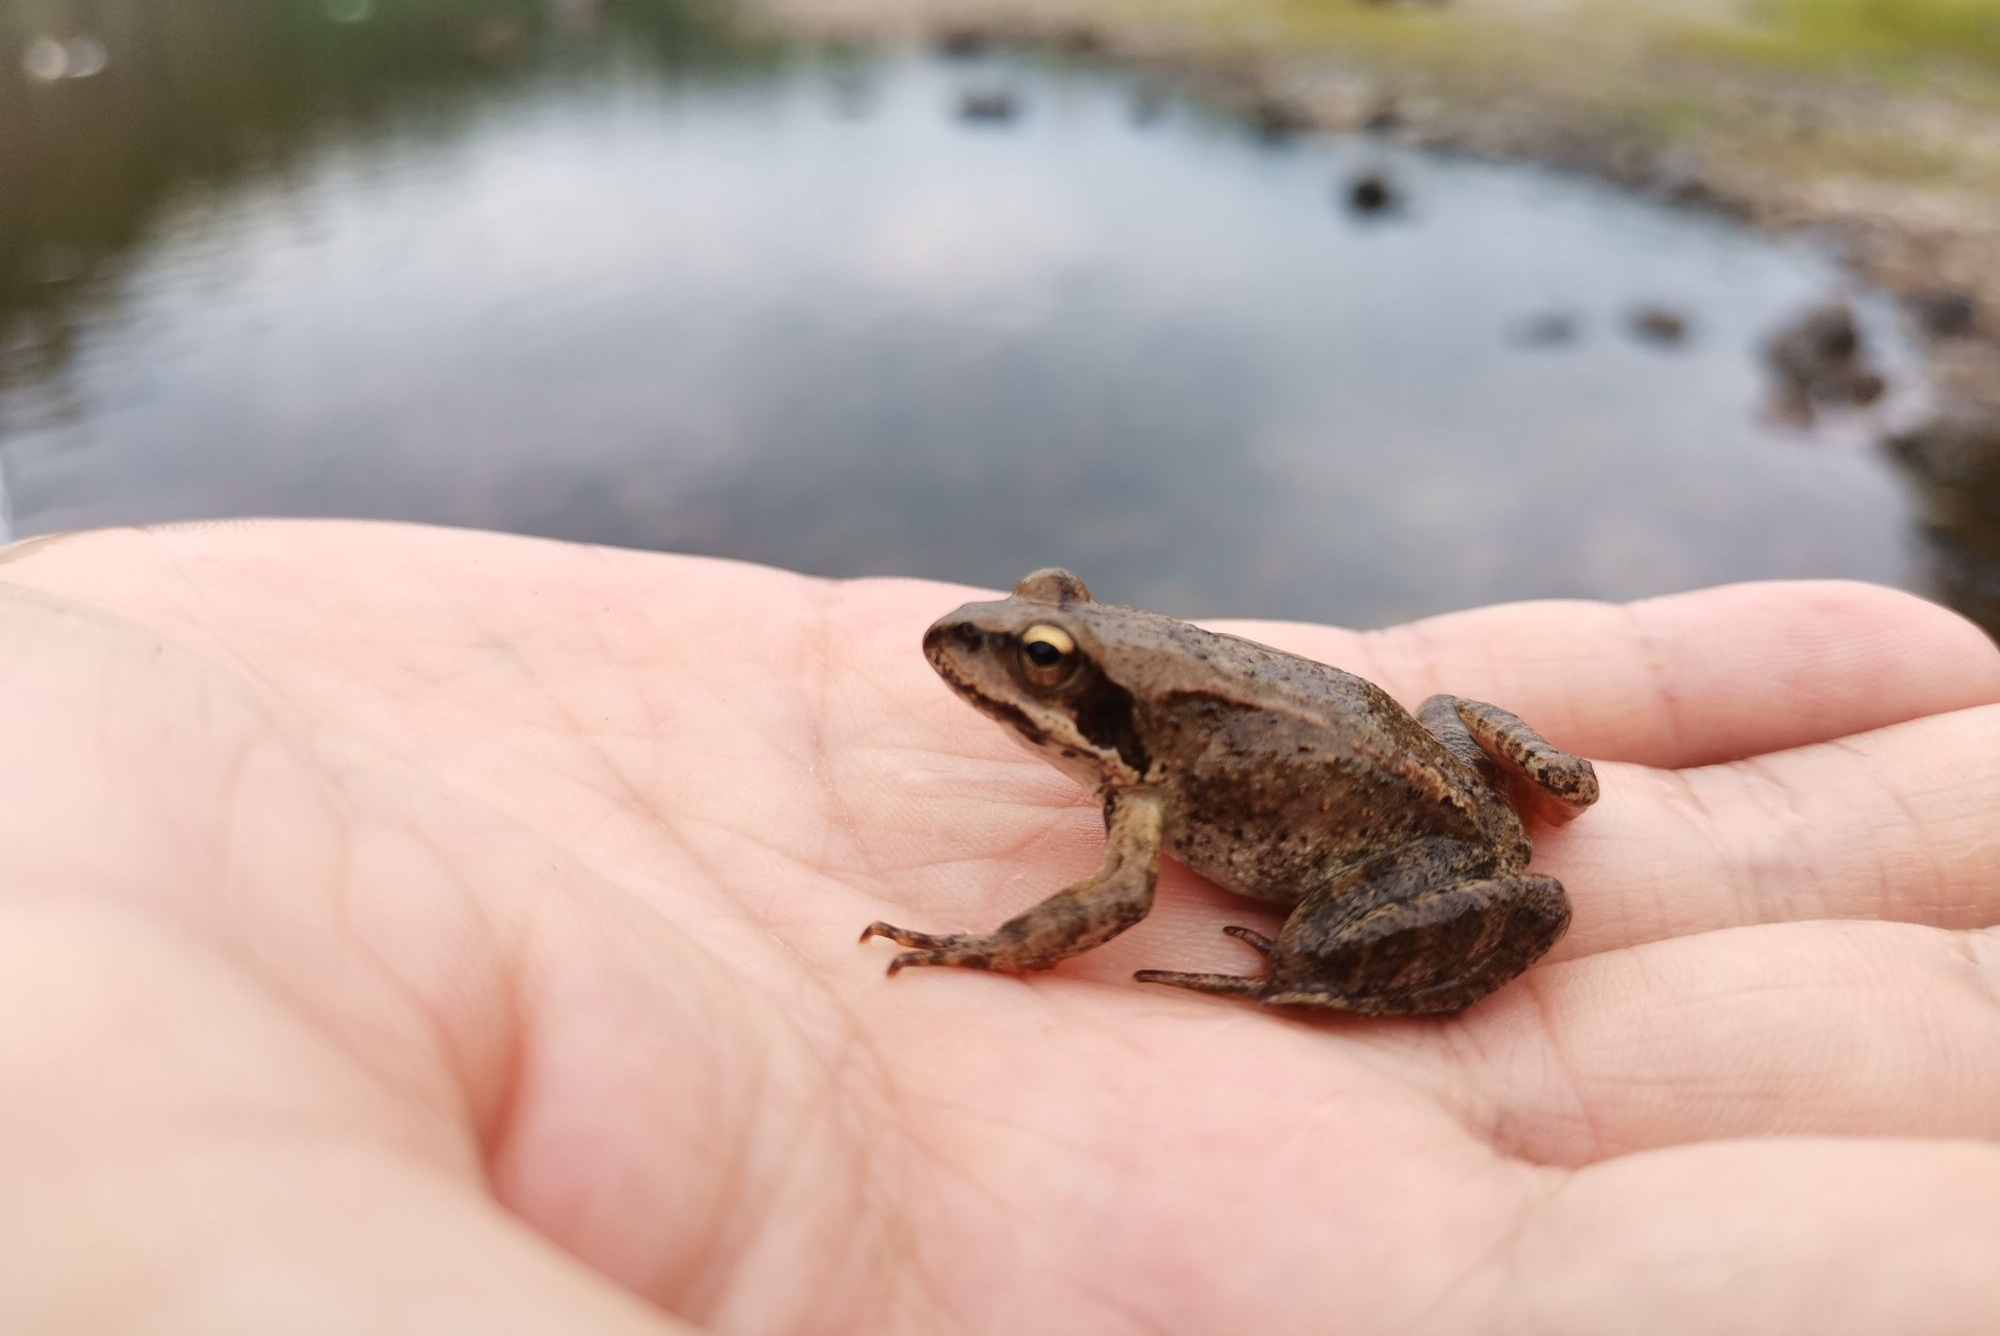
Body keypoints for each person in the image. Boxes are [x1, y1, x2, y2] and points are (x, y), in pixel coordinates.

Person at [0, 520, 1995, 1334]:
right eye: (1028, 637)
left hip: (1382, 838)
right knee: (1492, 774)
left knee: (1350, 925)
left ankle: (1324, 981)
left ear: (1091, 683)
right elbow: (1428, 778)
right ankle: (1469, 831)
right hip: (1437, 745)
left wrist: (985, 952)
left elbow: (1125, 897)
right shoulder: (1131, 719)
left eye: (1038, 652)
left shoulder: (1138, 783)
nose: (988, 659)